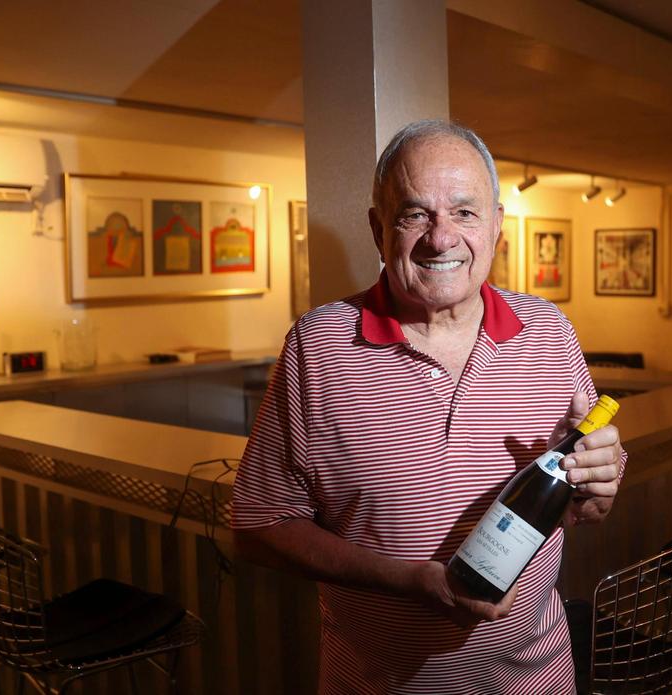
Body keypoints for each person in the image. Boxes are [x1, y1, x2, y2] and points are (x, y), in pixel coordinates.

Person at [232, 119, 625, 694]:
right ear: (377, 228)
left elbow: (583, 506)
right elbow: (259, 526)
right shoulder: (316, 348)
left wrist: (599, 484)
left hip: (534, 679)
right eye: (415, 213)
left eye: (465, 212)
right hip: (376, 684)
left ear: (496, 225)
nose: (441, 238)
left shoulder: (550, 331)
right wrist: (412, 581)